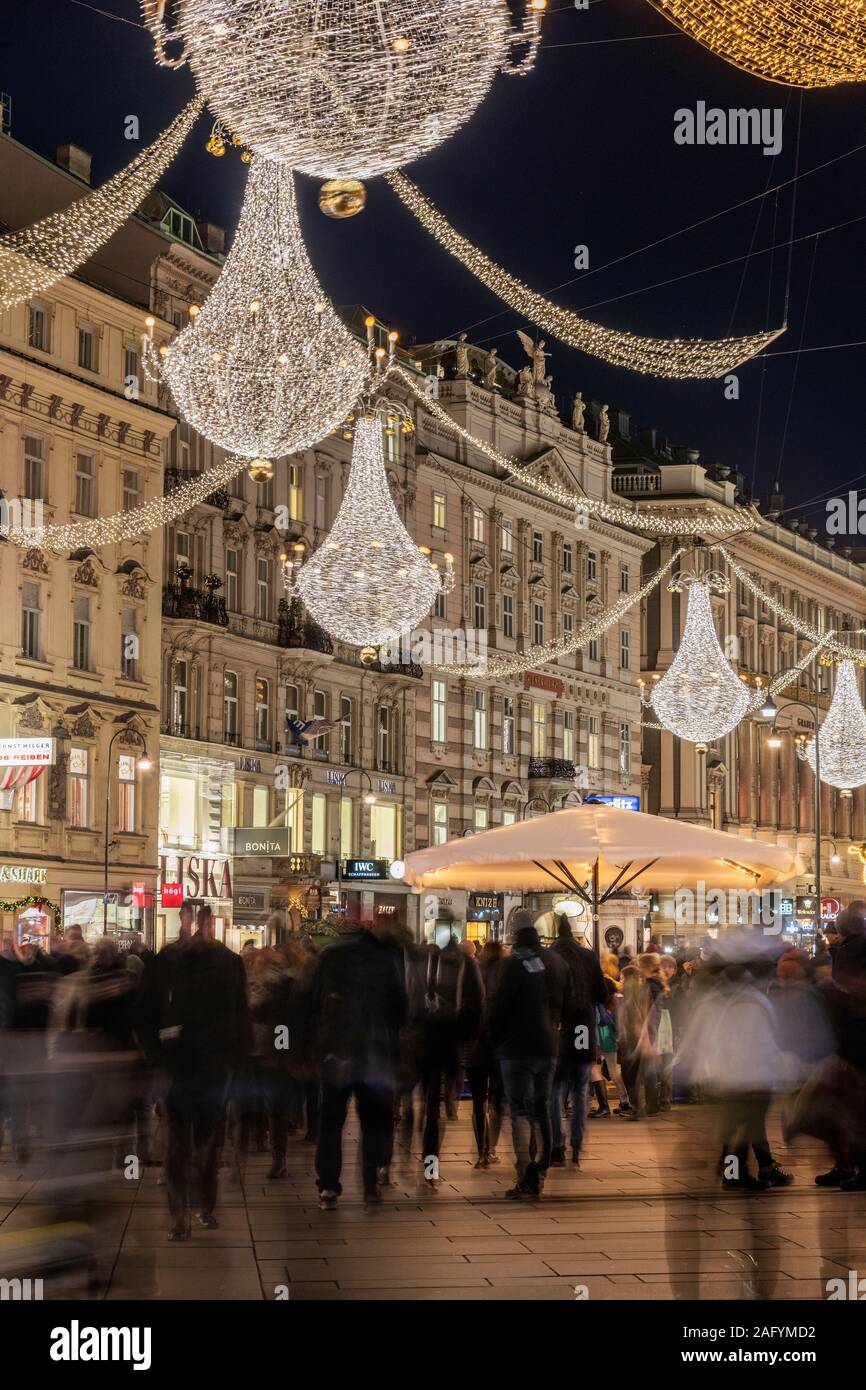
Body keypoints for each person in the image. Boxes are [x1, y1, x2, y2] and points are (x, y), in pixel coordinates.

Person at [156, 905, 250, 1239]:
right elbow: (242, 1017)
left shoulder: (174, 959)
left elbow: (149, 1014)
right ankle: (198, 1210)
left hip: (189, 1066)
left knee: (185, 1145)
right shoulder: (226, 961)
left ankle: (184, 1213)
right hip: (205, 1067)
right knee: (201, 1142)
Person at [307, 924, 407, 1210]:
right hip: (372, 1054)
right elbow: (401, 1009)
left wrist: (307, 1046)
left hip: (336, 1052)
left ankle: (327, 1186)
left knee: (331, 1122)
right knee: (373, 1121)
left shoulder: (331, 957)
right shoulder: (385, 961)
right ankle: (370, 1185)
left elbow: (311, 1002)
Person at [488, 917, 567, 1198]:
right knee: (541, 1108)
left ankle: (524, 1174)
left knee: (519, 1111)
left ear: (515, 935)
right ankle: (541, 1170)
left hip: (514, 1049)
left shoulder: (511, 965)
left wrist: (493, 1038)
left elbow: (498, 1005)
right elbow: (566, 1002)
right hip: (547, 1046)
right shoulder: (556, 962)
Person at [549, 917, 606, 1164]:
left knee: (555, 1089)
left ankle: (557, 1145)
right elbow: (602, 993)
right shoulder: (589, 956)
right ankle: (577, 1144)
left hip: (557, 1029)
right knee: (581, 1087)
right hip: (583, 1028)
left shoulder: (549, 957)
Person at [465, 940, 506, 1168]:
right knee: (497, 1101)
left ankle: (482, 1152)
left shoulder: (474, 973)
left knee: (478, 1102)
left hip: (475, 1046)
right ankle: (491, 1148)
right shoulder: (507, 976)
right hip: (499, 1048)